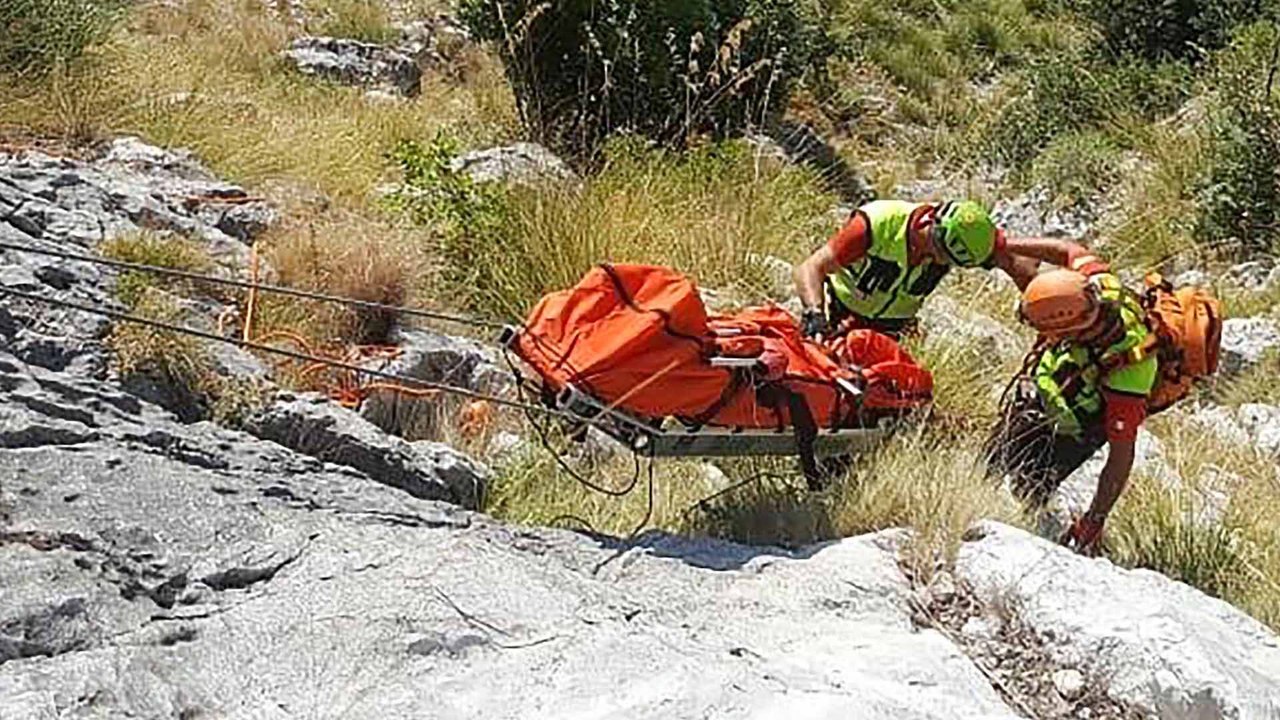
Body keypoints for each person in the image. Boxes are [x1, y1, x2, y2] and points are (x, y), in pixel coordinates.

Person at [984, 266, 1157, 555]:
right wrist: (1002, 248)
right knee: (990, 463)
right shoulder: (1093, 287)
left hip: (1076, 431)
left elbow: (1121, 454)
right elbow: (1067, 250)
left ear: (1069, 328)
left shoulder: (1129, 373)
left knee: (1028, 488)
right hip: (1047, 393)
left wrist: (1095, 520)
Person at [793, 199, 1108, 339]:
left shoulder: (969, 239)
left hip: (893, 328)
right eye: (942, 257)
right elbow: (811, 268)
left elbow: (1021, 264)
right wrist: (814, 314)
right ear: (931, 231)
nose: (941, 265)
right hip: (838, 310)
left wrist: (1046, 309)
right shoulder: (875, 224)